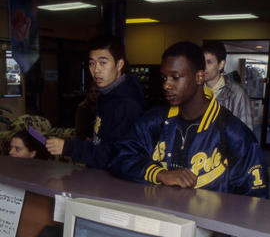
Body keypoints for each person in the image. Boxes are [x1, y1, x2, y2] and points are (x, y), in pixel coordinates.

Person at [109, 41, 268, 198]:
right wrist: (160, 174)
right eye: (164, 78)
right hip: (159, 218)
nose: (166, 85)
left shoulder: (233, 133)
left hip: (209, 223)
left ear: (199, 77)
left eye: (175, 77)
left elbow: (256, 199)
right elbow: (119, 157)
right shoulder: (153, 121)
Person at [46, 34, 145, 169]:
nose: (96, 70)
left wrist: (69, 147)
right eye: (92, 63)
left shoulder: (127, 104)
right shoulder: (106, 94)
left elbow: (115, 156)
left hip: (114, 182)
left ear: (119, 64)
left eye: (103, 62)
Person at [202, 41, 253, 130]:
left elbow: (246, 132)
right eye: (201, 62)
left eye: (209, 62)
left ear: (221, 64)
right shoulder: (195, 90)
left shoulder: (236, 93)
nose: (204, 67)